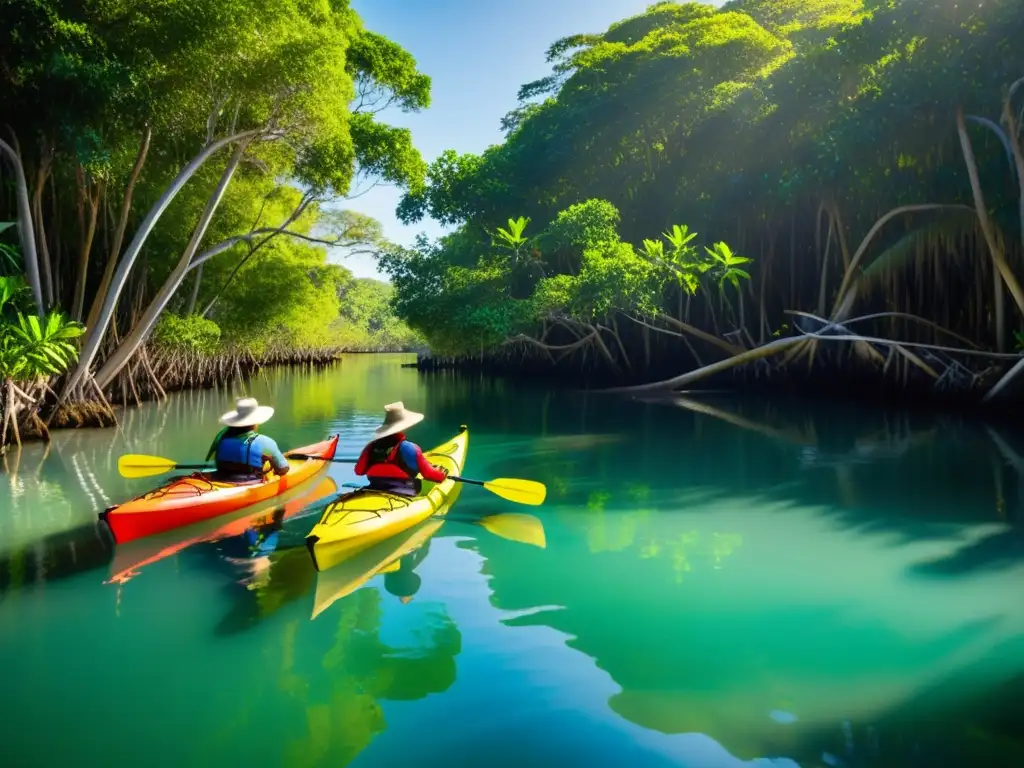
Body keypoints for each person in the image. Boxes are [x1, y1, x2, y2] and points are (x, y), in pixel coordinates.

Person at [354, 402, 448, 496]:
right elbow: (429, 475)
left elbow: (358, 471)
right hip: (403, 493)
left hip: (373, 489)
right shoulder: (410, 448)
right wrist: (442, 475)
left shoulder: (370, 447)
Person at [206, 397, 290, 482]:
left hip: (219, 478)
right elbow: (283, 469)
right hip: (248, 483)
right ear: (255, 423)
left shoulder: (222, 439)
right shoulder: (265, 442)